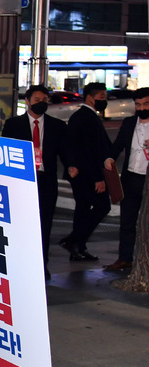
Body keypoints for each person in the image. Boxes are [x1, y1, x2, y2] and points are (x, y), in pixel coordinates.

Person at [1, 85, 71, 280]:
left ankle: (42, 265)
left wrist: (72, 167)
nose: (41, 103)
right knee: (20, 225)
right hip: (22, 182)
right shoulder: (13, 124)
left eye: (44, 100)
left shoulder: (57, 126)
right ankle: (19, 264)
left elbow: (65, 151)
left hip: (46, 181)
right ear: (28, 101)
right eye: (37, 99)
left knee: (45, 225)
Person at [60, 82, 113, 262]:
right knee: (102, 206)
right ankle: (75, 240)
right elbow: (90, 151)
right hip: (87, 174)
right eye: (102, 98)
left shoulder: (81, 116)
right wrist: (98, 178)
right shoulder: (87, 118)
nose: (104, 101)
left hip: (80, 173)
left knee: (82, 209)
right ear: (90, 97)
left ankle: (77, 247)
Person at [104, 87, 149, 271]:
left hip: (148, 180)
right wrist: (109, 158)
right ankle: (125, 258)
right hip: (131, 177)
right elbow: (118, 145)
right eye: (138, 104)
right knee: (127, 221)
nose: (142, 108)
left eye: (146, 104)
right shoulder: (130, 123)